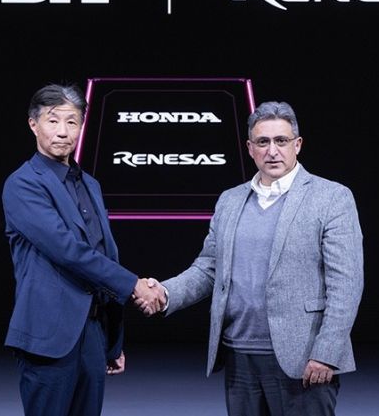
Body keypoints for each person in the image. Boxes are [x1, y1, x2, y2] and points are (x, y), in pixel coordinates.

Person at [139, 101, 364, 416]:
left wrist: (327, 353)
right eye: (263, 142)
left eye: (281, 141)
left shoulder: (331, 198)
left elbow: (346, 285)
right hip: (239, 355)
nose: (272, 151)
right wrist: (165, 292)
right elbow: (208, 268)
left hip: (303, 358)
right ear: (249, 148)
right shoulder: (230, 201)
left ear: (297, 145)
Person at [2, 83, 161, 416]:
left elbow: (105, 255)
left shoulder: (91, 185)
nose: (63, 131)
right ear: (33, 124)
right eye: (53, 120)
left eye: (72, 122)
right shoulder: (23, 183)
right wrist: (134, 284)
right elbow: (67, 251)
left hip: (92, 334)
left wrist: (112, 341)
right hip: (48, 336)